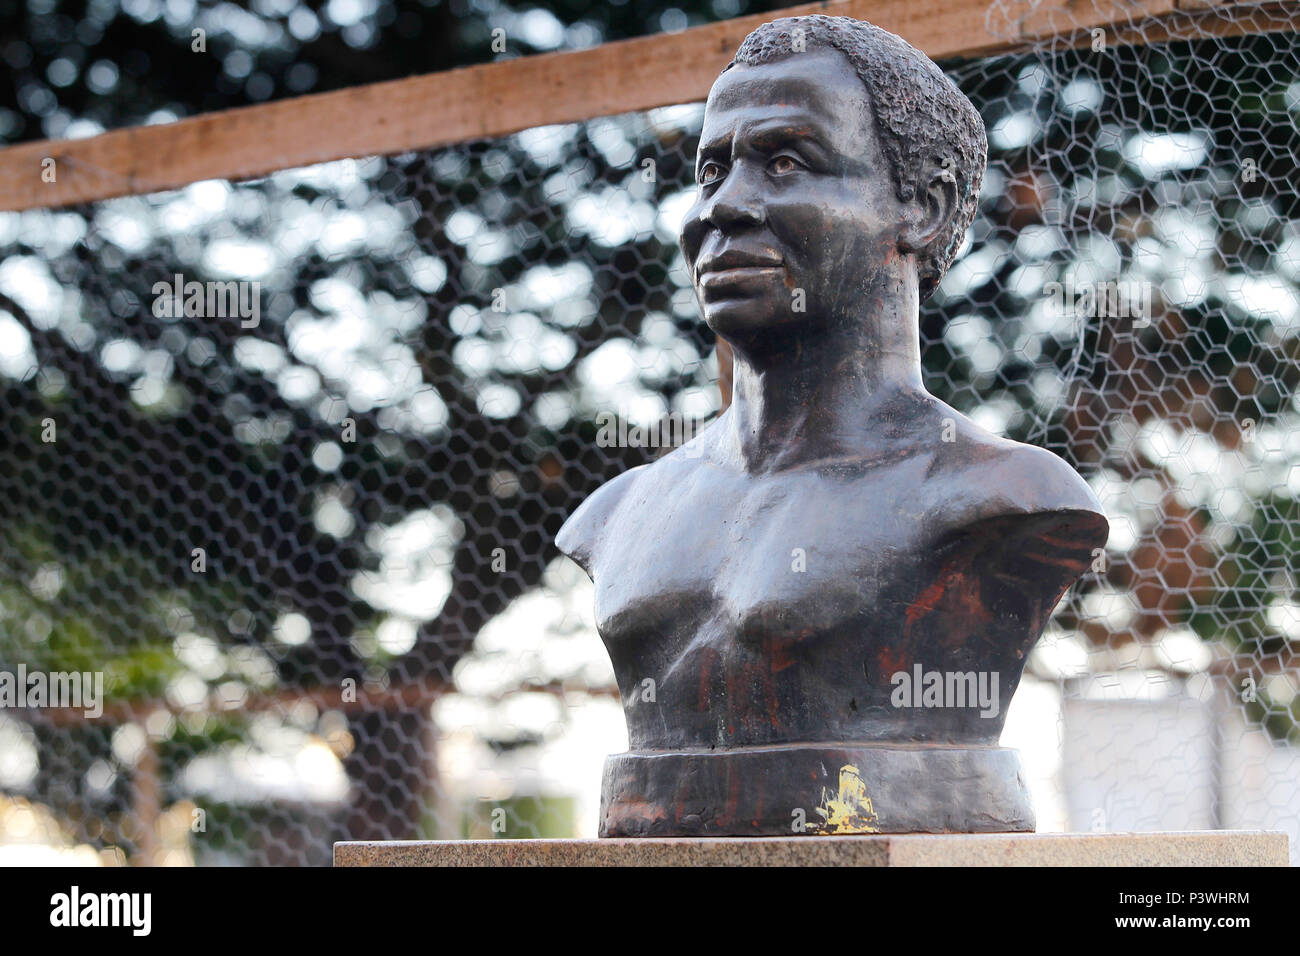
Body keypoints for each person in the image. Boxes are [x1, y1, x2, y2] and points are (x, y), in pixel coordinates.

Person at [557, 14, 1108, 835]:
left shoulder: (1003, 495)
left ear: (921, 208)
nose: (726, 207)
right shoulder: (618, 512)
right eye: (712, 171)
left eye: (786, 161)